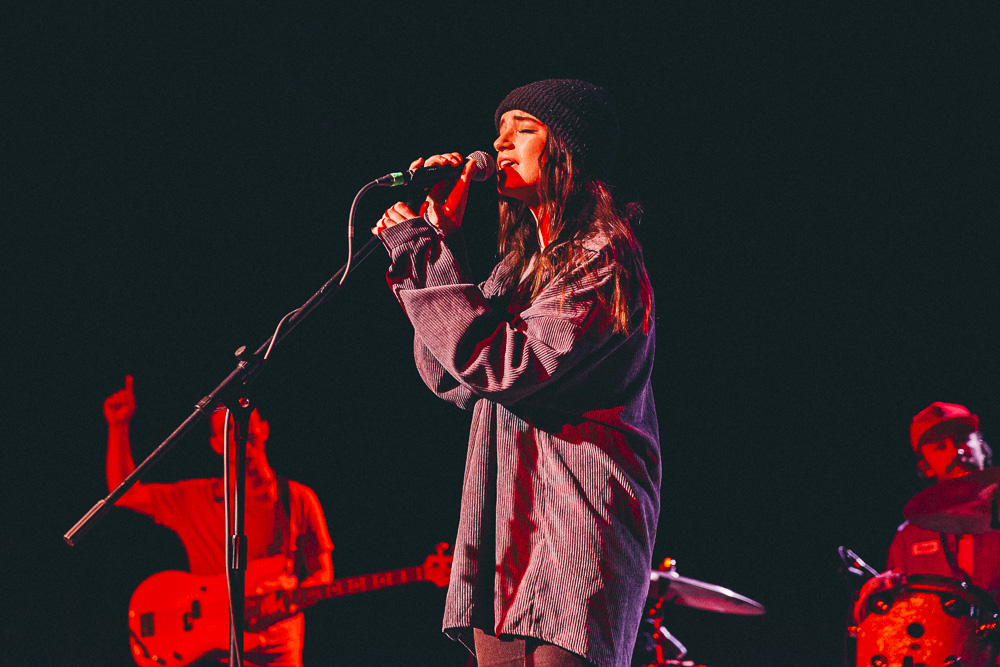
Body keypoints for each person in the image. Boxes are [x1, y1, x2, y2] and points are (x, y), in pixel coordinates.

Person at [374, 79, 661, 667]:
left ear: (568, 152)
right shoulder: (517, 268)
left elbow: (509, 364)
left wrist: (421, 250)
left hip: (576, 527)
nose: (499, 144)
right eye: (499, 131)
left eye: (523, 130)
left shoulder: (601, 254)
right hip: (507, 532)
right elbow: (450, 376)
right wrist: (438, 243)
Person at [104, 375, 334, 667]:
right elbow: (126, 494)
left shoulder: (297, 498)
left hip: (276, 652)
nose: (241, 441)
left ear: (263, 430)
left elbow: (322, 573)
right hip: (214, 651)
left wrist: (293, 596)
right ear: (216, 445)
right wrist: (118, 426)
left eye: (247, 430)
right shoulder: (195, 498)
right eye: (230, 435)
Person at [884, 401, 1000, 596]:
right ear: (925, 467)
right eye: (940, 446)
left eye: (962, 439)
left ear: (981, 444)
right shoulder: (909, 537)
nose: (956, 452)